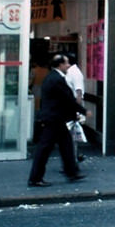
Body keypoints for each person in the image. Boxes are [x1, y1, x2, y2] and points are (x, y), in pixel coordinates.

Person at [28, 54, 88, 187]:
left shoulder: (52, 77)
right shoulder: (57, 79)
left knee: (66, 145)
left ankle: (71, 172)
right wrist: (82, 111)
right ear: (59, 65)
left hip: (55, 118)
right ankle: (35, 178)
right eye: (66, 63)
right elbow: (67, 99)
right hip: (54, 119)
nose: (68, 66)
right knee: (44, 149)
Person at [63, 53, 87, 163]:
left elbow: (79, 92)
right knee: (70, 137)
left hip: (72, 109)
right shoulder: (69, 72)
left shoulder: (75, 73)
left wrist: (77, 110)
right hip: (68, 108)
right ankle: (74, 158)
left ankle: (73, 160)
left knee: (71, 137)